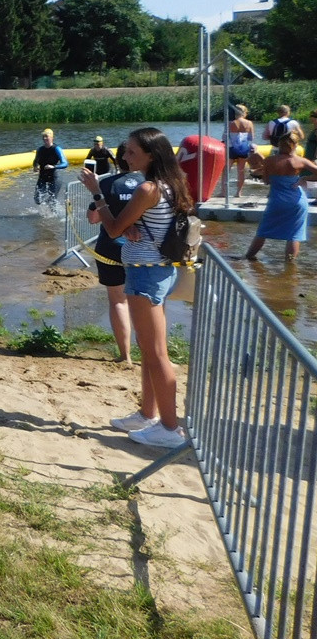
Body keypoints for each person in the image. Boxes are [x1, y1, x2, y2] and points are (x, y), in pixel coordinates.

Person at [79, 127, 195, 449]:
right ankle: (148, 414)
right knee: (149, 349)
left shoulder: (147, 188)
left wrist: (97, 192)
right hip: (159, 270)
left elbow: (114, 228)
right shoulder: (172, 184)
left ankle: (170, 429)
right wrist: (132, 226)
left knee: (157, 353)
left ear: (151, 155)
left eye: (131, 152)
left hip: (146, 276)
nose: (124, 157)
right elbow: (141, 225)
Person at [86, 142, 143, 364]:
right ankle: (151, 354)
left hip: (110, 248)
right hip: (141, 249)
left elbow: (93, 219)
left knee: (118, 301)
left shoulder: (106, 183)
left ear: (116, 160)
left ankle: (125, 356)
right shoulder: (147, 183)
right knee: (145, 303)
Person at [244, 128, 317, 262]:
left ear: (279, 144)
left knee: (263, 231)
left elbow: (266, 181)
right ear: (295, 146)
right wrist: (304, 179)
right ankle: (290, 266)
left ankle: (249, 257)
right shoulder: (301, 161)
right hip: (297, 201)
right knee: (294, 235)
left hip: (277, 201)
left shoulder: (270, 160)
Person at [224, 104, 256, 197]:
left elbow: (225, 137)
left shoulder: (231, 123)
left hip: (232, 148)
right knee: (241, 171)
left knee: (227, 170)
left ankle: (224, 191)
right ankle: (239, 192)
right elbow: (251, 137)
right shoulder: (249, 123)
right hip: (243, 148)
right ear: (244, 113)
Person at [32, 128, 68, 206]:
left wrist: (53, 166)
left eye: (46, 136)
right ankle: (44, 213)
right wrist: (35, 166)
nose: (45, 138)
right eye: (43, 137)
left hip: (55, 177)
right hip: (43, 176)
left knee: (51, 200)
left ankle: (54, 216)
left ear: (52, 137)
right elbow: (35, 161)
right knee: (37, 199)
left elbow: (65, 163)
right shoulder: (40, 150)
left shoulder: (56, 149)